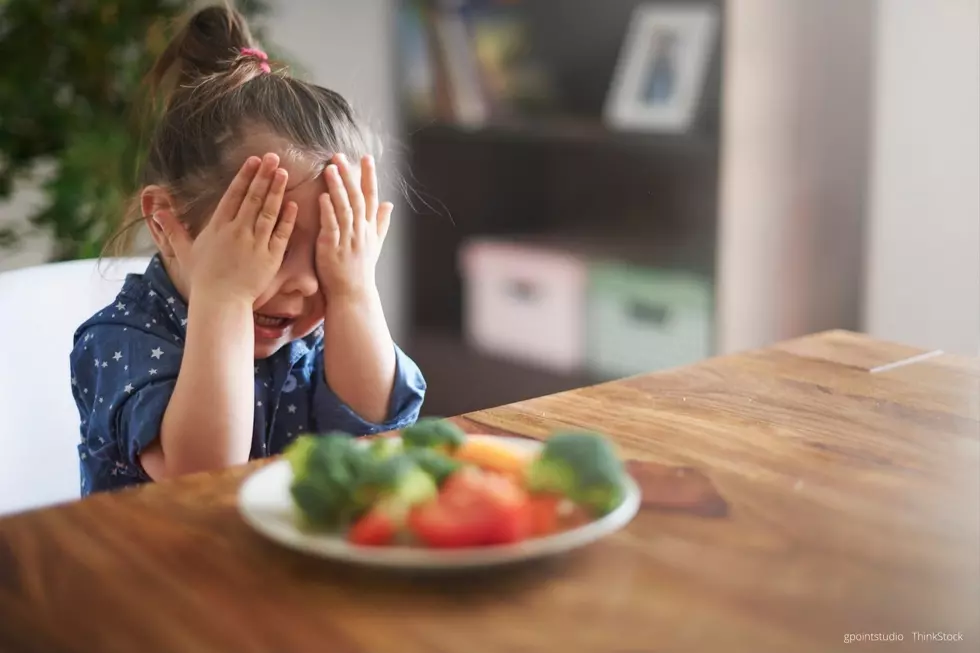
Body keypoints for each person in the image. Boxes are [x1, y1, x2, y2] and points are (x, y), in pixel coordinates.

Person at [69, 5, 425, 496]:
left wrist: (353, 291)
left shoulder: (318, 328)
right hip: (153, 566)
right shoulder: (121, 340)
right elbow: (203, 476)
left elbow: (378, 430)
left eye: (328, 251)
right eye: (270, 247)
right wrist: (226, 298)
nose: (304, 282)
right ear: (166, 224)